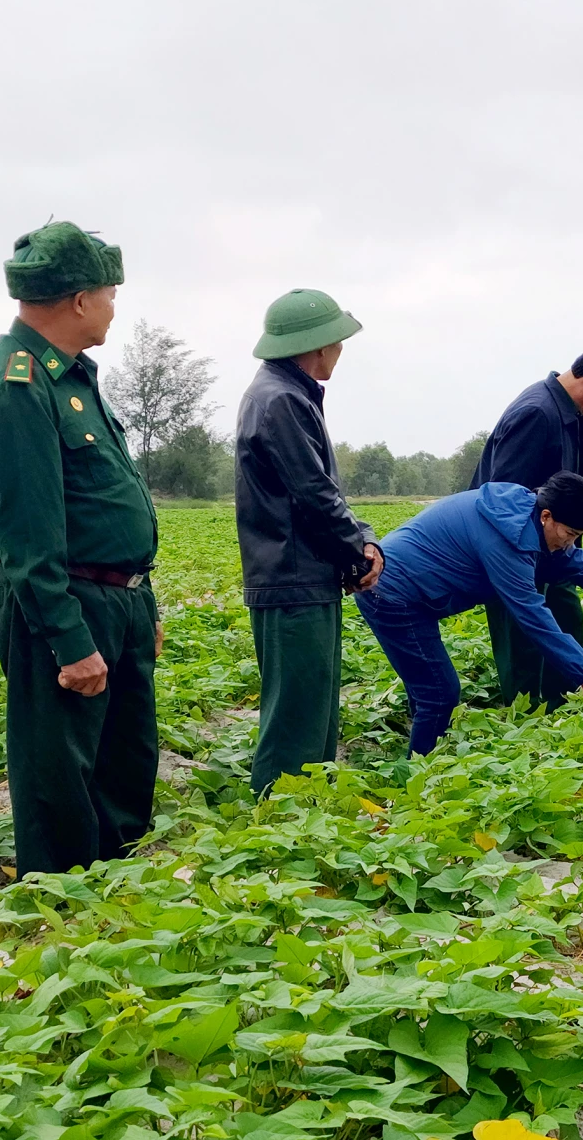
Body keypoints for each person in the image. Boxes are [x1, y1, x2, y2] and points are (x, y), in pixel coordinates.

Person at [0, 221, 161, 876]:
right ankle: (60, 922)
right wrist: (71, 641)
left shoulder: (71, 378)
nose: (112, 306)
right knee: (62, 790)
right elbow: (27, 538)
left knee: (125, 771)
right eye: (109, 293)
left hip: (116, 601)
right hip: (67, 606)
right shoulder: (18, 388)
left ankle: (118, 906)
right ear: (79, 299)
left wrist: (140, 606)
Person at [355, 472, 583, 754]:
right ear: (546, 516)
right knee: (439, 693)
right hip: (391, 592)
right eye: (570, 533)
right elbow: (533, 615)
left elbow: (565, 556)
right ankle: (417, 779)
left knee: (429, 687)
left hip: (413, 590)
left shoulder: (523, 513)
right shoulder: (506, 540)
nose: (570, 542)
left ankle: (426, 751)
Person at [234, 288, 384, 795]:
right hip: (291, 581)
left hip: (306, 577)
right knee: (296, 715)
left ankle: (307, 820)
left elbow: (319, 490)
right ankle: (276, 824)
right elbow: (314, 494)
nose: (340, 351)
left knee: (315, 706)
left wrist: (359, 540)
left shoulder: (288, 394)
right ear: (317, 346)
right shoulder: (279, 399)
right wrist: (359, 547)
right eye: (337, 342)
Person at [470, 346, 583, 705]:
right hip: (516, 549)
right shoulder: (537, 413)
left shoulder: (570, 413)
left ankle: (564, 709)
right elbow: (503, 500)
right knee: (524, 640)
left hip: (552, 548)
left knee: (566, 621)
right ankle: (526, 723)